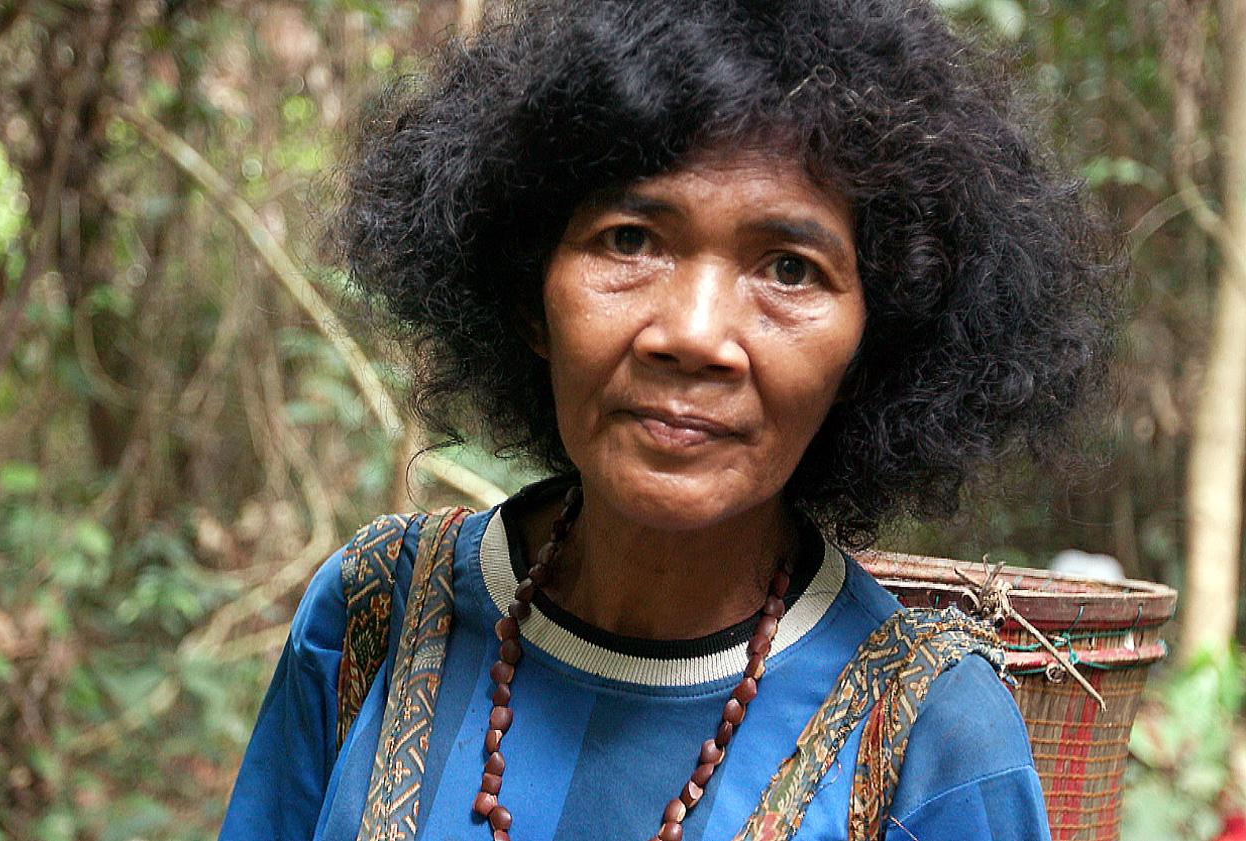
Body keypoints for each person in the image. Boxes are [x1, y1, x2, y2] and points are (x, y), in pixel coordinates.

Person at [220, 0, 1115, 839]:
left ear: (871, 349)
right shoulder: (373, 614)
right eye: (630, 240)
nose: (693, 336)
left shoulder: (936, 741)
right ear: (531, 295)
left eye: (791, 269)